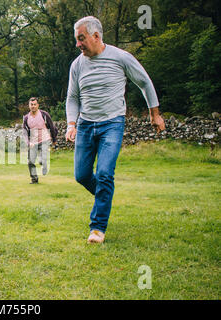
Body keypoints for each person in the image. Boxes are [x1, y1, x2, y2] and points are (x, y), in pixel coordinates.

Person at [65, 16, 165, 244]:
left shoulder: (120, 57)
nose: (78, 44)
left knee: (104, 174)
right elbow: (72, 98)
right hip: (85, 125)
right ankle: (105, 195)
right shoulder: (77, 65)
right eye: (76, 39)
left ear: (96, 36)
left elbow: (144, 82)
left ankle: (97, 228)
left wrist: (154, 114)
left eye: (81, 39)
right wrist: (71, 123)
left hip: (112, 124)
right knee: (81, 175)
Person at [22, 97, 58, 184]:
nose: (33, 106)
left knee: (42, 160)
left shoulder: (44, 114)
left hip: (44, 140)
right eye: (31, 105)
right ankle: (34, 179)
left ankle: (44, 165)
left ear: (37, 105)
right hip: (33, 142)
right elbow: (25, 131)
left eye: (35, 104)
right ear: (29, 106)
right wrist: (28, 142)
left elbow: (52, 127)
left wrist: (54, 140)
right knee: (30, 161)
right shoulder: (26, 118)